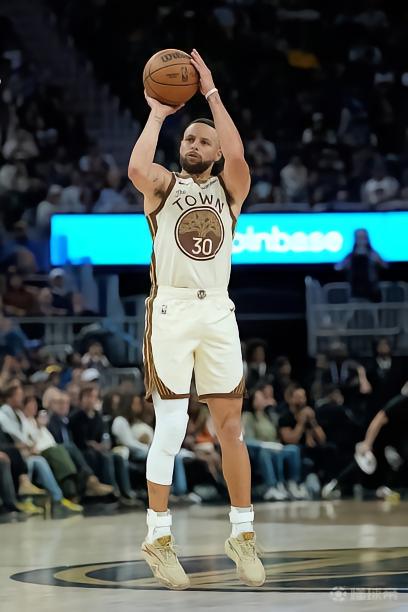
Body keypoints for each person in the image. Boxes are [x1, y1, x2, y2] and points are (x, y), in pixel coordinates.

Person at [128, 48, 265, 589]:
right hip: (172, 309)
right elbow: (136, 168)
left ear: (215, 152)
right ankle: (158, 537)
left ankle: (243, 534)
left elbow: (239, 154)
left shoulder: (231, 191)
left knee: (231, 427)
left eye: (204, 141)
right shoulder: (164, 186)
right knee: (171, 425)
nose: (194, 145)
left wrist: (210, 93)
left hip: (218, 310)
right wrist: (158, 113)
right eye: (189, 139)